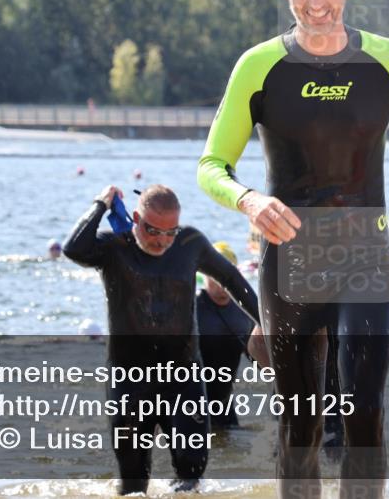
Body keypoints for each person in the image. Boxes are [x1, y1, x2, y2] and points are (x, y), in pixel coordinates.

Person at [198, 0, 389, 499]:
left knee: (363, 415)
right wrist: (250, 199)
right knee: (300, 425)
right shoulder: (259, 66)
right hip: (290, 265)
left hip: (366, 258)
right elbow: (212, 164)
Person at [62, 184, 261, 495]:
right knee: (133, 485)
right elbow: (73, 248)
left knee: (190, 477)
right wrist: (101, 204)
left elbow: (231, 279)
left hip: (184, 380)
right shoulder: (114, 247)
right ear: (137, 218)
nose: (163, 241)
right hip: (130, 381)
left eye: (171, 232)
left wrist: (265, 321)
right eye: (154, 230)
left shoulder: (190, 243)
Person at [196, 241, 262, 430]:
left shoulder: (244, 313)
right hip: (189, 404)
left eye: (225, 275)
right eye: (215, 276)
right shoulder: (192, 309)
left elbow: (258, 358)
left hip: (224, 406)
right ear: (205, 275)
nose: (221, 283)